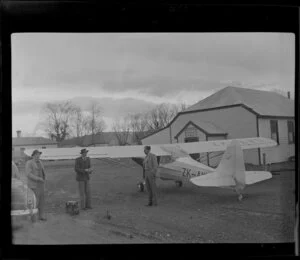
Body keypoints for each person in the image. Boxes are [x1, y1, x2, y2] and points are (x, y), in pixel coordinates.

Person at [25, 149, 46, 221]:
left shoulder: (40, 162)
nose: (38, 156)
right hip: (34, 185)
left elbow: (43, 172)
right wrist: (38, 178)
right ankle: (33, 217)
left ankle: (41, 216)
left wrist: (43, 178)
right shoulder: (29, 163)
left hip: (41, 185)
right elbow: (28, 174)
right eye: (37, 154)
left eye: (39, 154)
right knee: (35, 202)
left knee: (42, 201)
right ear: (33, 155)